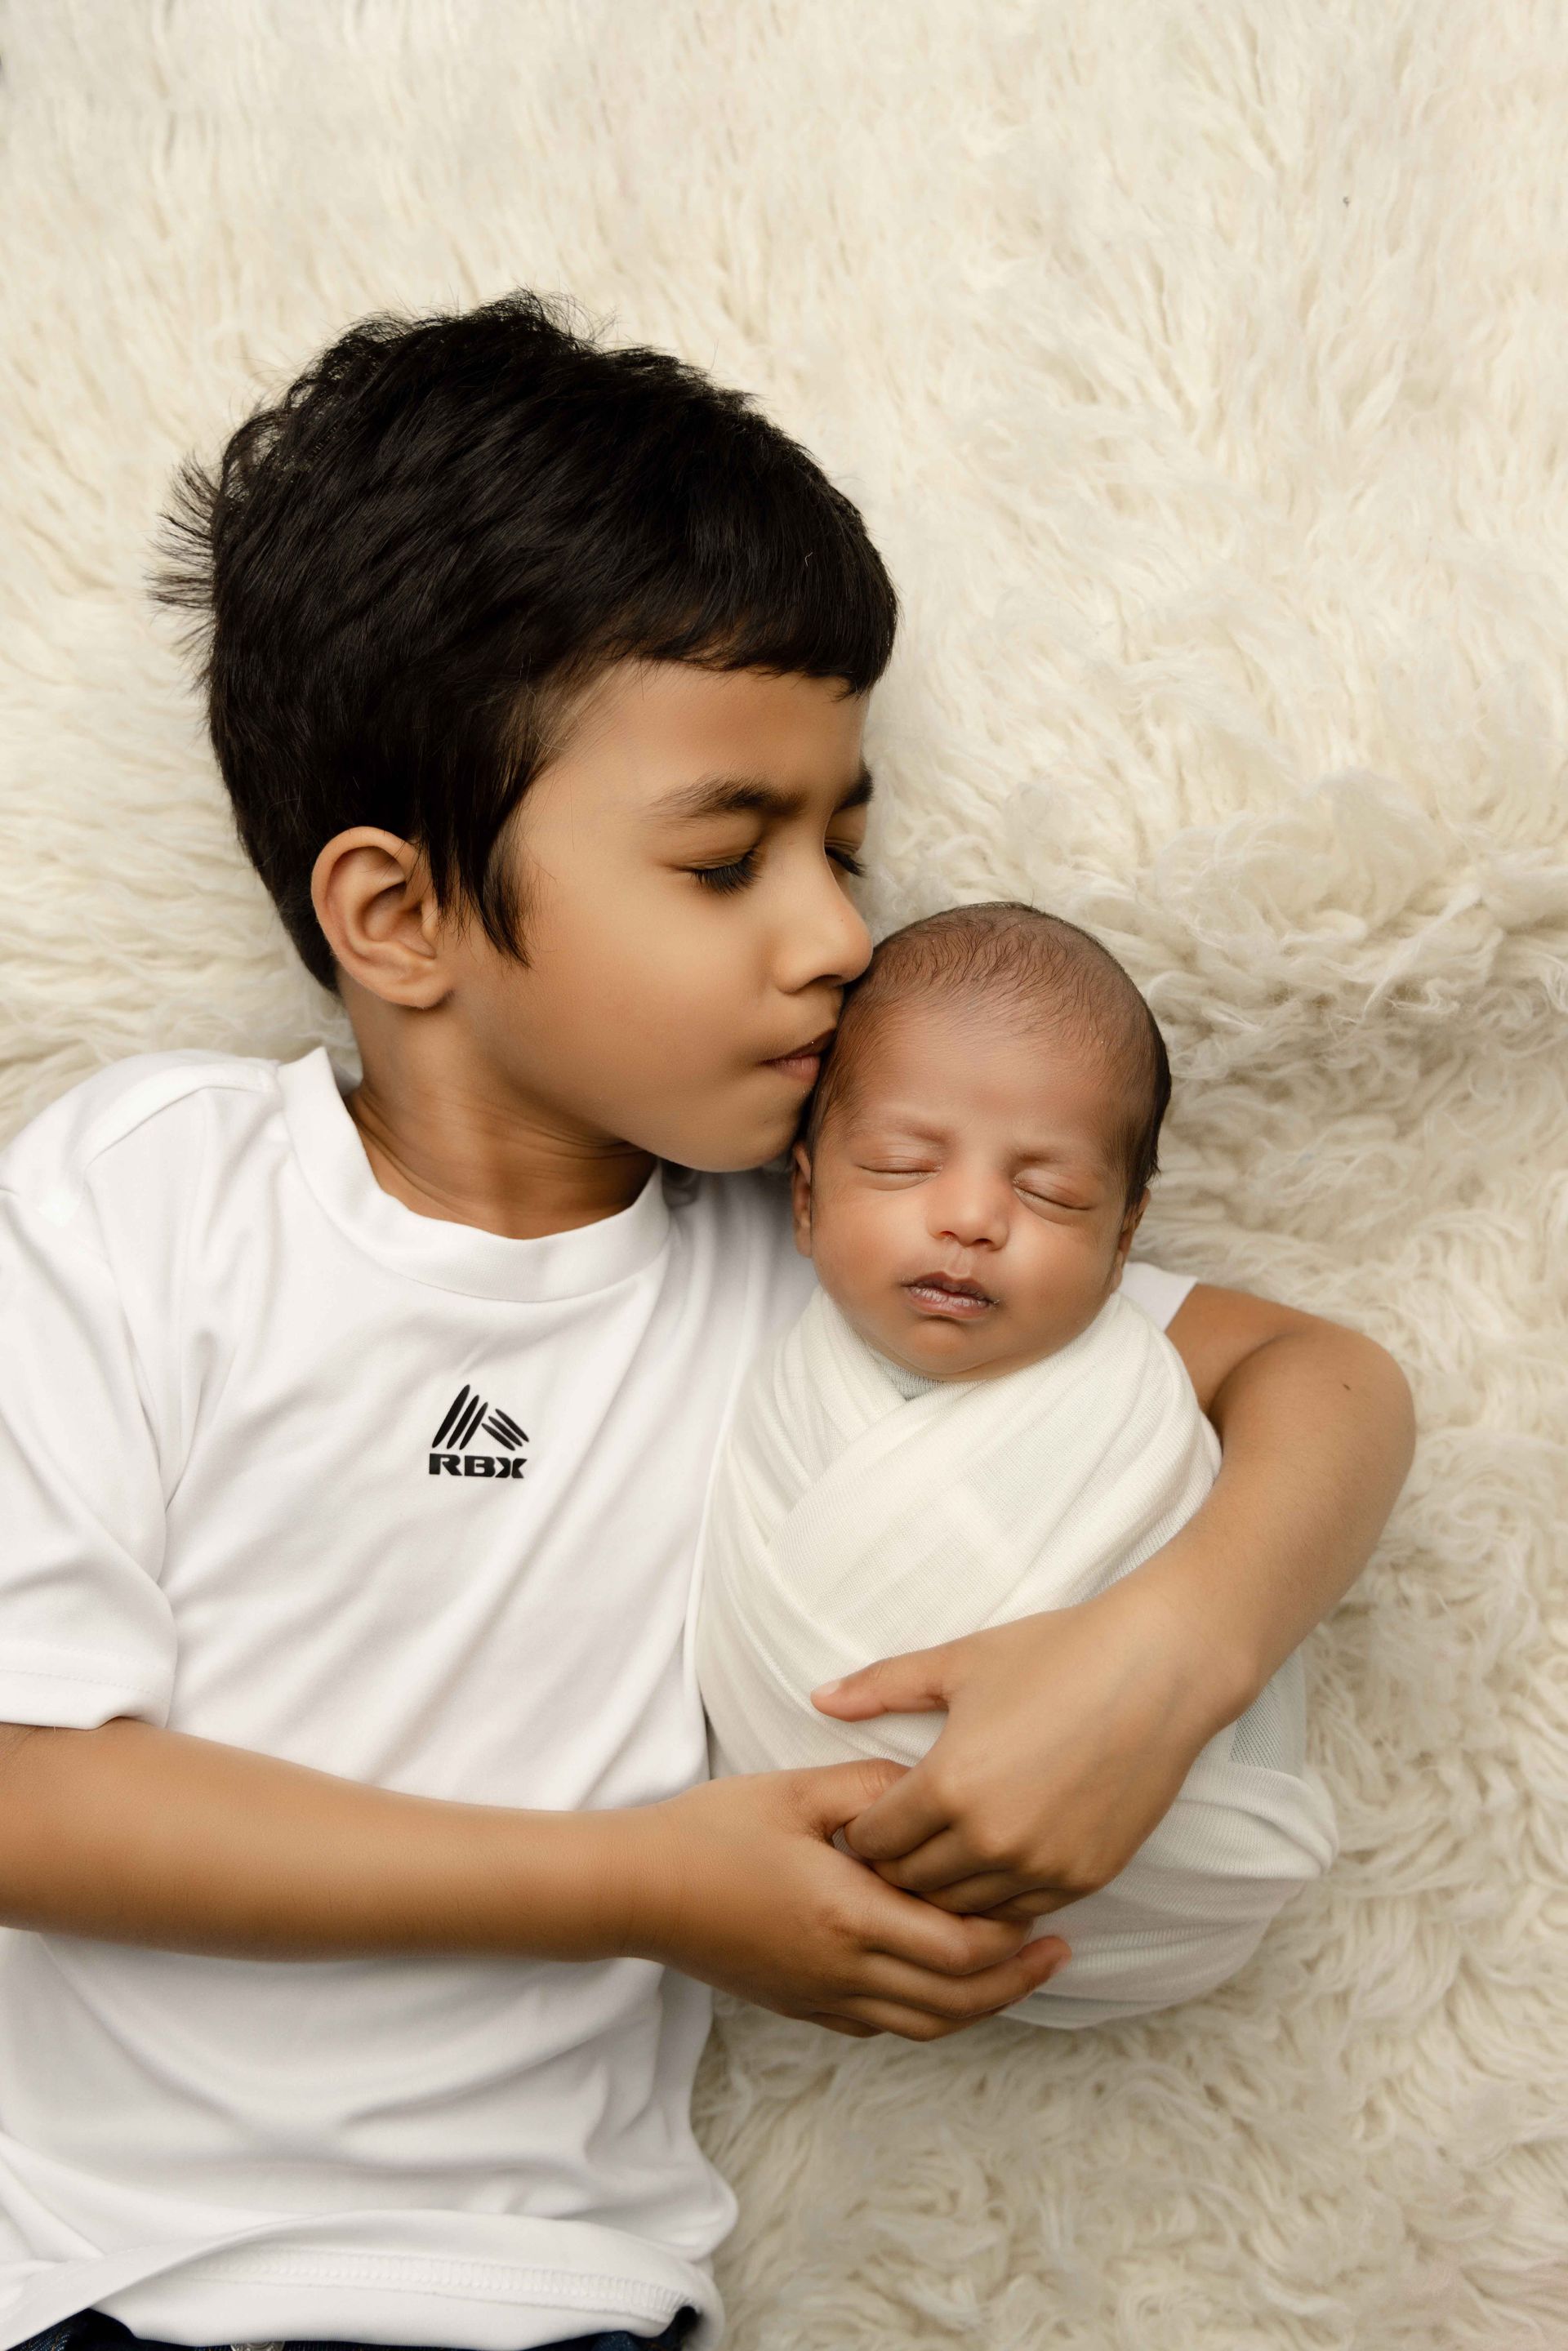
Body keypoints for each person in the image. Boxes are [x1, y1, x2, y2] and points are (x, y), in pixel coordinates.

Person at [0, 293, 1414, 2351]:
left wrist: (1167, 1657)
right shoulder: (148, 1195)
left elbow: (1331, 1383)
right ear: (400, 916)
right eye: (730, 857)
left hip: (576, 2296)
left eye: (843, 840)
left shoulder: (821, 1253)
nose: (844, 935)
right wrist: (640, 1887)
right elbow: (26, 1795)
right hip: (114, 2285)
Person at [696, 902, 1341, 2027]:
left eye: (1050, 1193)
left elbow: (1332, 1387)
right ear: (803, 1198)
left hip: (1157, 1846)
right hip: (801, 1893)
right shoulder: (748, 1331)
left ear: (1122, 1241)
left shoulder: (1129, 1371)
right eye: (902, 1165)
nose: (973, 1217)